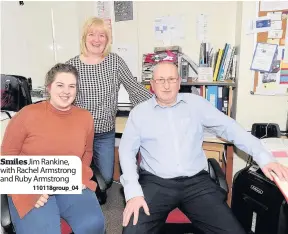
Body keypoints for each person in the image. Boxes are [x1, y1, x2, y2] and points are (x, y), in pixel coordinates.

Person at [119, 62, 288, 234]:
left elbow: (230, 128)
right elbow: (126, 152)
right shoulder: (139, 113)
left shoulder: (196, 104)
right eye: (161, 80)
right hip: (156, 182)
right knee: (133, 230)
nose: (166, 85)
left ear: (179, 82)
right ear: (152, 85)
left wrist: (264, 158)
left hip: (196, 183)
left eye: (171, 79)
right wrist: (133, 192)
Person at [1, 63, 105, 234]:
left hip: (67, 178)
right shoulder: (27, 114)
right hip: (31, 181)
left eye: (71, 86)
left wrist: (80, 175)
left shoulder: (85, 117)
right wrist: (24, 190)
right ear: (49, 87)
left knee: (93, 225)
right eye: (60, 85)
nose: (66, 91)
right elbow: (8, 155)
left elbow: (87, 152)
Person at [66, 17, 152, 187]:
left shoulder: (115, 62)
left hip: (105, 132)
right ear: (84, 38)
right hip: (80, 132)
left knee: (105, 180)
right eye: (91, 34)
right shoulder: (72, 65)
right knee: (78, 177)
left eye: (102, 35)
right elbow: (62, 97)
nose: (96, 40)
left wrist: (161, 103)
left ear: (108, 39)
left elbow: (134, 88)